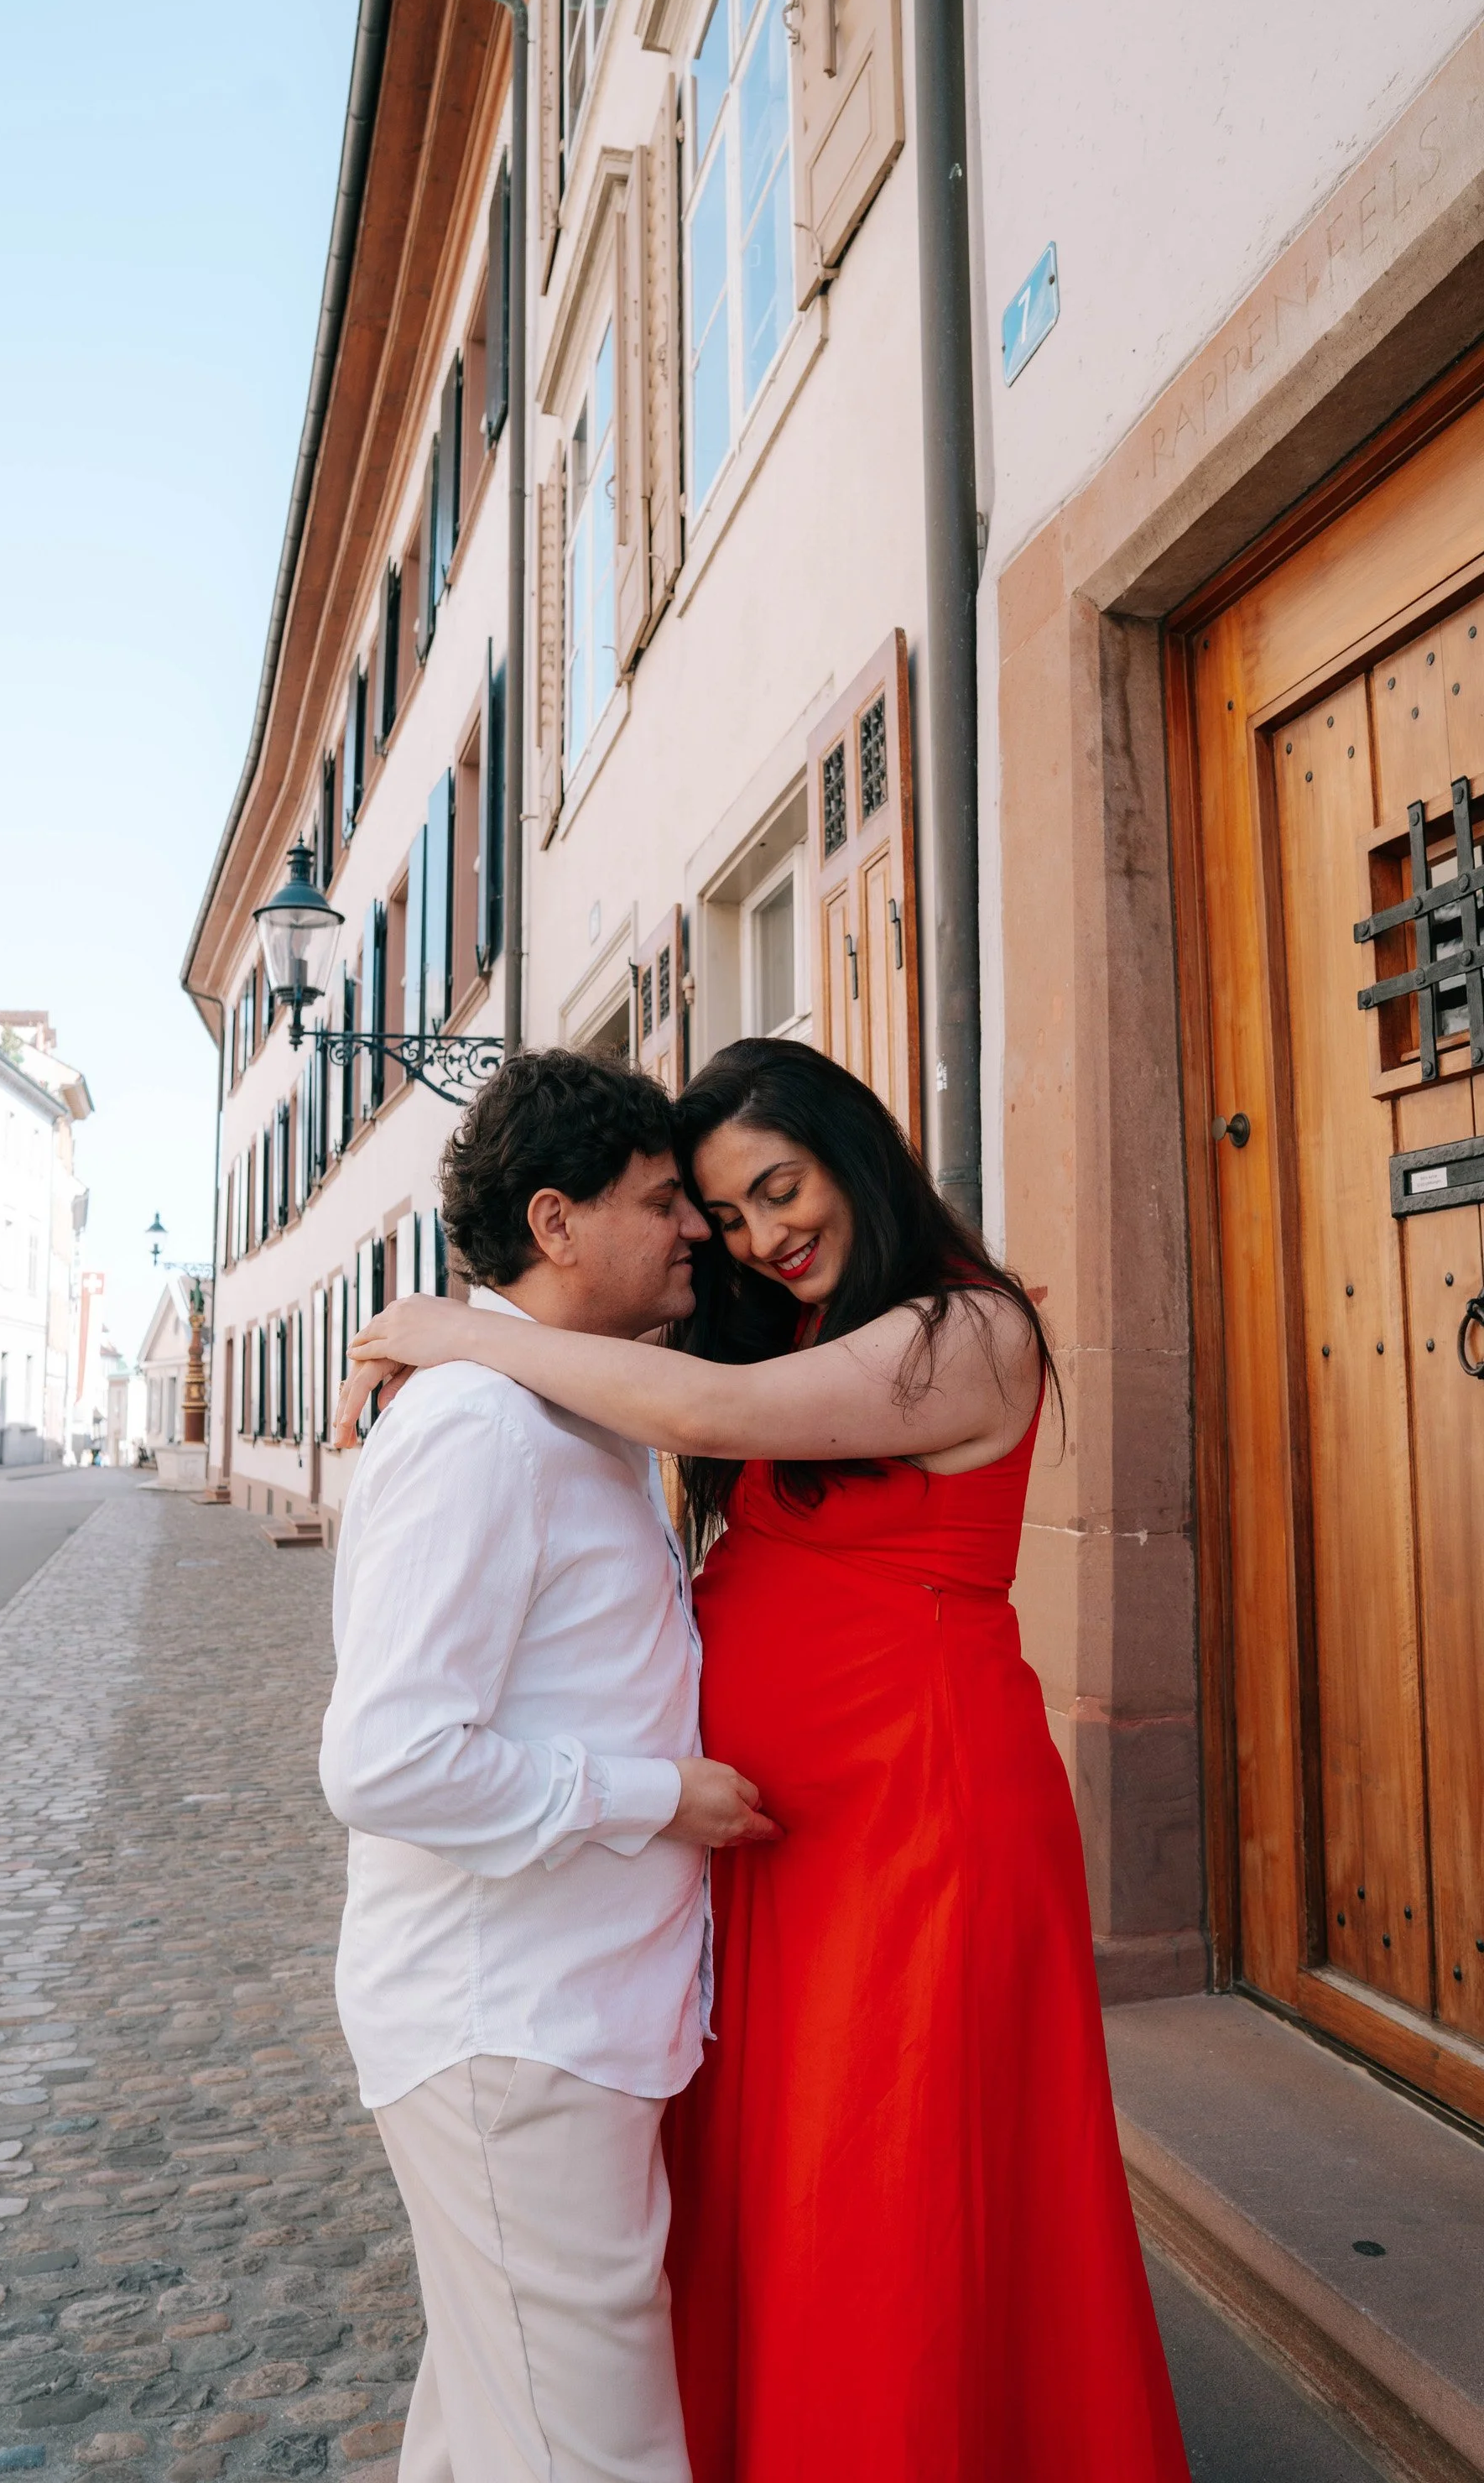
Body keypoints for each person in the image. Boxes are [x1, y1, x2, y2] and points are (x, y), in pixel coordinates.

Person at [341, 1036, 1190, 2483]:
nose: (756, 1236)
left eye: (778, 1188)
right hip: (774, 1853)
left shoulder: (964, 1331)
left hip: (916, 1819)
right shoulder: (771, 1335)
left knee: (903, 2189)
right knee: (802, 2197)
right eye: (721, 1213)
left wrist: (463, 1327)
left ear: (854, 1152)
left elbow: (703, 1421)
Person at [318, 1048, 778, 2483]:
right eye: (663, 1203)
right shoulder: (480, 1434)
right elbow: (387, 1762)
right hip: (508, 2027)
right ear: (558, 1221)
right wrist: (660, 1796)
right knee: (598, 2454)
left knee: (489, 2429)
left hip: (560, 2016)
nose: (699, 1230)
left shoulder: (572, 1409)